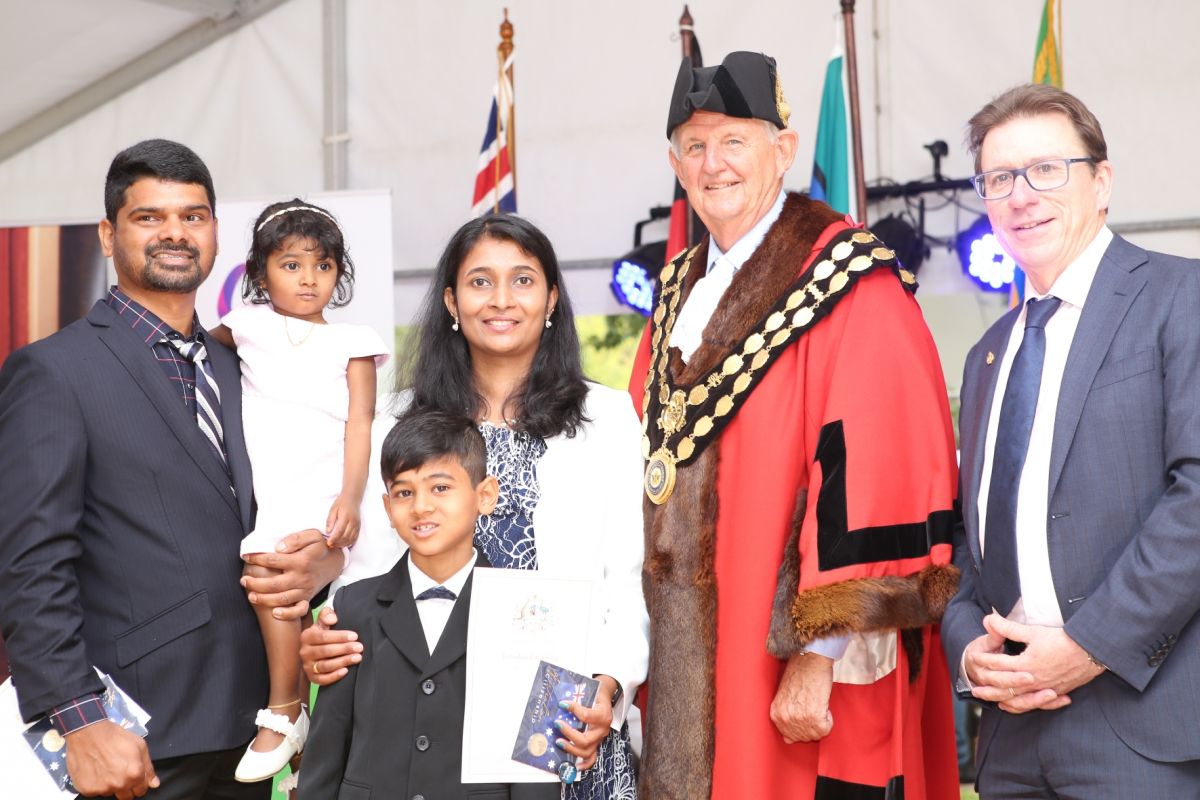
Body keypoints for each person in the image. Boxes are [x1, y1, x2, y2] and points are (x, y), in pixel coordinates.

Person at [627, 52, 960, 798]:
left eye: (735, 141)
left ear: (783, 149)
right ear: (674, 163)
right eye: (695, 145)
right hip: (678, 664)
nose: (714, 164)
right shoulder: (676, 291)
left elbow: (882, 476)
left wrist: (821, 655)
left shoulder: (851, 283)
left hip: (790, 665)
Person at [0, 139, 342, 800]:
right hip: (132, 736)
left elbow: (288, 506)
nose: (175, 233)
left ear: (215, 233)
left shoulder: (246, 366)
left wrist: (323, 563)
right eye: (149, 217)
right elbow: (30, 564)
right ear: (108, 234)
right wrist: (78, 720)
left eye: (193, 216)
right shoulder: (55, 371)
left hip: (254, 732)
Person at [300, 214, 648, 798]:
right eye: (480, 282)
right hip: (424, 715)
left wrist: (606, 691)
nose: (502, 299)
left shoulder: (606, 418)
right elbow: (370, 567)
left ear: (553, 298)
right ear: (451, 301)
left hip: (559, 713)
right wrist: (330, 633)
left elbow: (626, 577)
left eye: (523, 280)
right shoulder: (395, 417)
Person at [941, 83, 1200, 796]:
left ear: (1102, 181)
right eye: (999, 179)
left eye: (1046, 169)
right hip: (1012, 733)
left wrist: (1088, 647)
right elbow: (966, 542)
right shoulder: (987, 354)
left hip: (1140, 728)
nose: (1020, 195)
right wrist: (970, 657)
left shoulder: (1181, 298)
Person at [207, 200, 388, 782]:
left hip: (323, 480)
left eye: (323, 264)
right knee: (273, 575)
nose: (309, 278)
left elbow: (361, 423)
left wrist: (352, 497)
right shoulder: (244, 325)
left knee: (292, 579)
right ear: (259, 274)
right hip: (273, 479)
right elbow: (188, 353)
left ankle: (287, 714)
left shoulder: (356, 341)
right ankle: (295, 717)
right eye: (290, 265)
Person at [300, 408, 521, 798]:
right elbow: (328, 745)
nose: (421, 506)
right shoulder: (353, 607)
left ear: (484, 496)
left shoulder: (523, 610)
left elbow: (531, 766)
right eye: (404, 492)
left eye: (440, 488)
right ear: (387, 509)